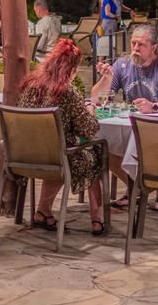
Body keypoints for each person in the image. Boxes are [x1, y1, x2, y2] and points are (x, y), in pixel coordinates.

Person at [11, 39, 107, 236]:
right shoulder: (67, 92)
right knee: (96, 152)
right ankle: (98, 219)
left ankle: (43, 212)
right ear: (71, 69)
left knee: (58, 151)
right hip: (56, 159)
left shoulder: (30, 86)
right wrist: (90, 108)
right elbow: (89, 129)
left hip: (24, 157)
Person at [92, 24, 158, 210]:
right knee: (104, 149)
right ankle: (137, 188)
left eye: (141, 45)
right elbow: (96, 99)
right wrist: (105, 78)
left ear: (153, 47)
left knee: (153, 149)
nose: (135, 49)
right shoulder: (122, 65)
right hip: (132, 126)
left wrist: (154, 106)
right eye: (133, 44)